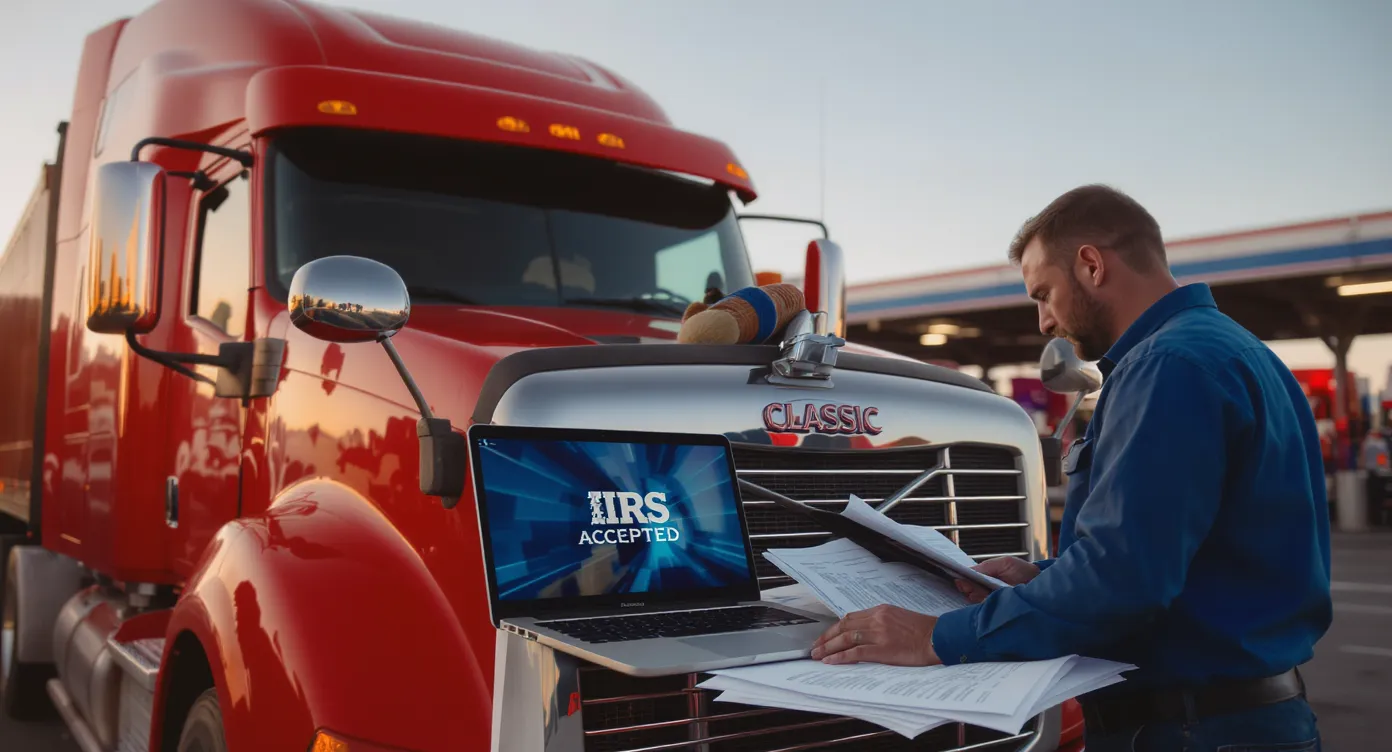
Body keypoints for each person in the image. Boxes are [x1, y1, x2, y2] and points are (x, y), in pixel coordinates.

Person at [811, 184, 1332, 751]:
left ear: (1090, 265)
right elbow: (1186, 553)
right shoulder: (1235, 351)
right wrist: (1045, 577)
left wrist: (936, 636)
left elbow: (1122, 581)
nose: (1042, 321)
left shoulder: (1166, 365)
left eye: (1043, 293)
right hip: (1238, 720)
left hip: (1191, 730)